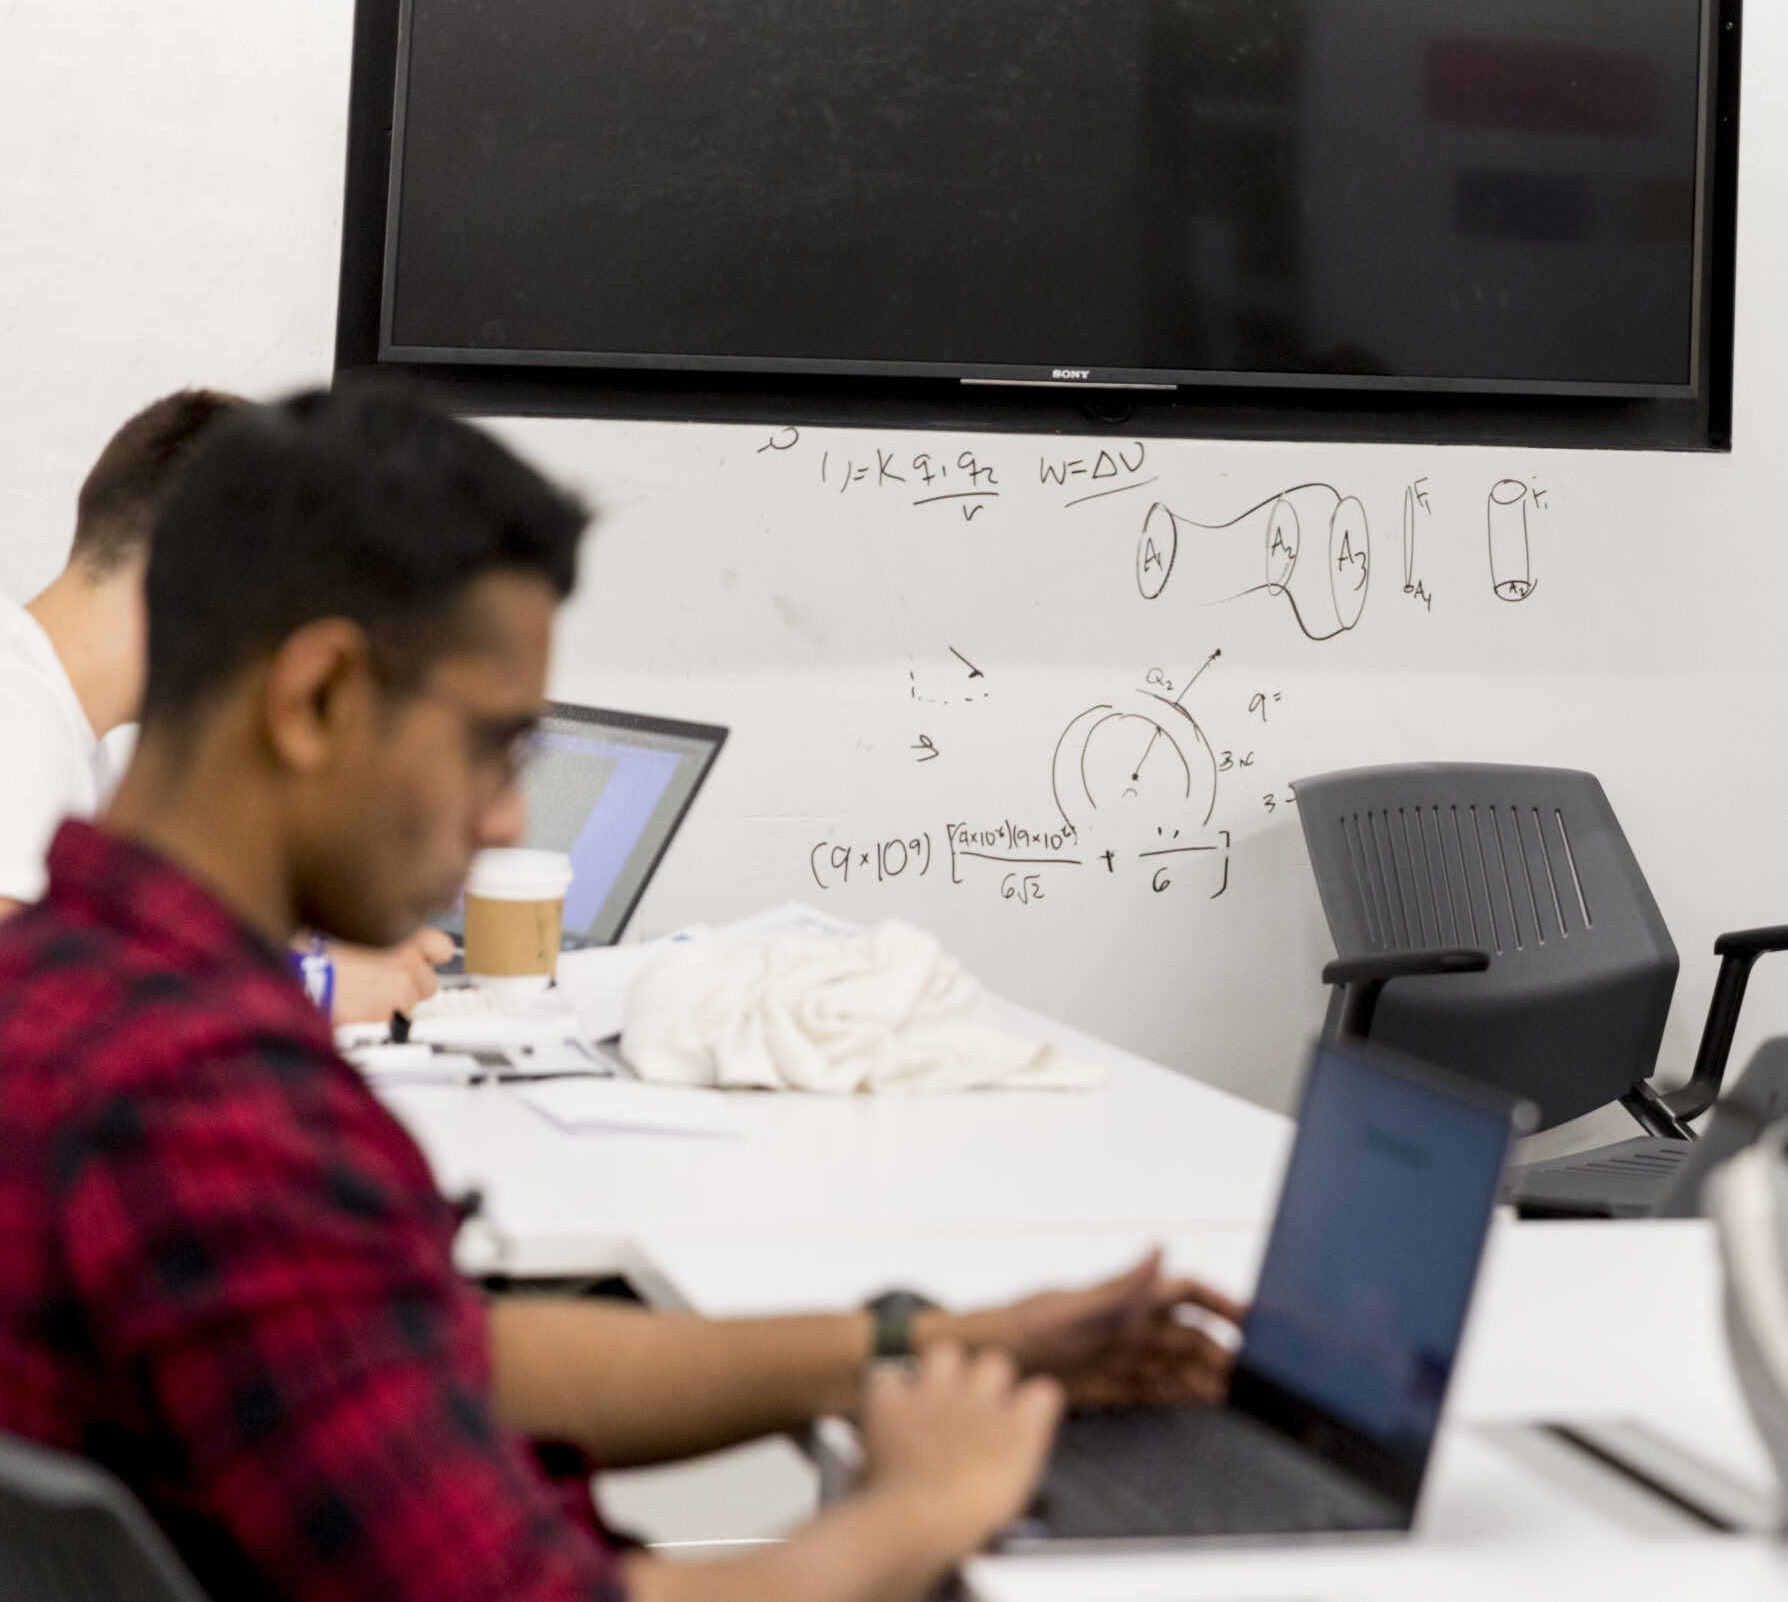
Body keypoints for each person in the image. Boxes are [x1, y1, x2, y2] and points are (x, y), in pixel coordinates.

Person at [0, 390, 1239, 1602]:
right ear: (317, 697)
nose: (504, 823)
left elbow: (455, 1352)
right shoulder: (217, 1123)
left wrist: (923, 1346)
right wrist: (918, 1512)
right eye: (494, 748)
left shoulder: (70, 991)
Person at [0, 390, 453, 1022]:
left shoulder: (67, 717)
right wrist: (305, 983)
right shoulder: (15, 706)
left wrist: (301, 950)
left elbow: (111, 947)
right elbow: (28, 998)